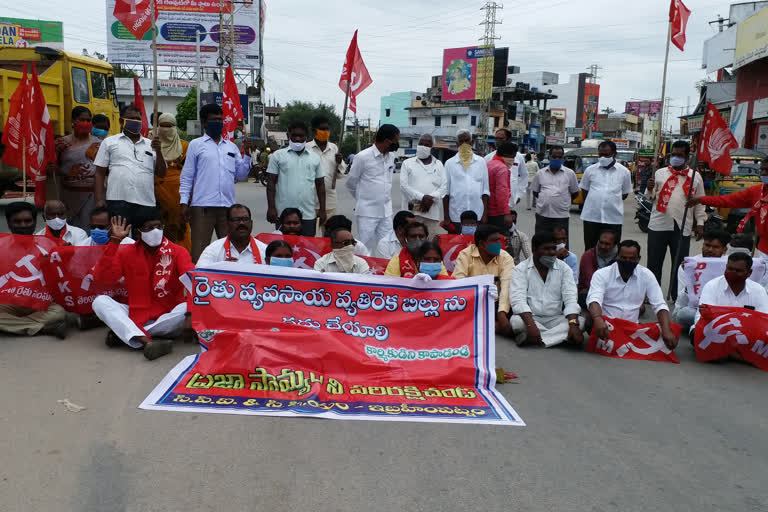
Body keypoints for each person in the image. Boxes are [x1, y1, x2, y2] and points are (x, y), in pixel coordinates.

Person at [91, 211, 194, 360]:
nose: (156, 231)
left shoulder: (178, 252)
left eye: (159, 226)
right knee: (100, 302)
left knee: (185, 308)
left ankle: (127, 333)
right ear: (138, 232)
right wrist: (114, 242)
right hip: (136, 314)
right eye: (150, 228)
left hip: (167, 318)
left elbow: (193, 281)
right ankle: (146, 341)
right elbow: (102, 279)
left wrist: (190, 315)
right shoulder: (126, 253)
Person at [180, 103, 253, 262]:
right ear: (205, 123)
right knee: (199, 252)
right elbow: (187, 176)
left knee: (231, 251)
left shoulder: (231, 147)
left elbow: (241, 175)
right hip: (202, 207)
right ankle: (198, 283)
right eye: (214, 120)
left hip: (227, 208)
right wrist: (184, 203)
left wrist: (247, 155)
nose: (218, 123)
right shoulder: (196, 145)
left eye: (220, 120)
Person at [586, 240, 678, 350]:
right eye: (623, 258)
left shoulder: (646, 275)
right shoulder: (602, 274)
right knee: (591, 321)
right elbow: (594, 299)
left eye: (631, 259)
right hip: (606, 324)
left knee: (670, 329)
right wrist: (597, 319)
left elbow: (659, 305)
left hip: (632, 327)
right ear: (617, 257)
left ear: (638, 259)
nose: (627, 261)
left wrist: (666, 331)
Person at [645, 141, 705, 300]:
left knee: (680, 265)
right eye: (673, 155)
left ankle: (676, 295)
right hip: (658, 224)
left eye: (680, 155)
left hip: (682, 226)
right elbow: (650, 198)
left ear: (687, 157)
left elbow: (699, 202)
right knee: (654, 263)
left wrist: (700, 223)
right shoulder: (659, 173)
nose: (676, 158)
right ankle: (653, 295)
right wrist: (649, 188)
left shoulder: (695, 176)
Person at [0, 202, 68, 339]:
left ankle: (19, 326)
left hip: (41, 302)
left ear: (35, 222)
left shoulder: (49, 245)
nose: (23, 225)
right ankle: (43, 327)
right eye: (17, 221)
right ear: (9, 223)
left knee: (59, 313)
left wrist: (66, 257)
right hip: (10, 302)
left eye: (27, 221)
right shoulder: (1, 246)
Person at [93, 104, 166, 227]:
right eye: (131, 118)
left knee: (144, 241)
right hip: (117, 201)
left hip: (146, 202)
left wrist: (158, 151)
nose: (136, 122)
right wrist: (99, 199)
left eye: (138, 119)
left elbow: (162, 173)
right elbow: (99, 173)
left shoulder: (152, 144)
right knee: (119, 239)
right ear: (121, 121)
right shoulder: (109, 142)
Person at [509, 232, 584, 346]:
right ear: (534, 249)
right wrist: (531, 325)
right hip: (532, 319)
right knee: (517, 322)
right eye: (547, 249)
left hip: (556, 318)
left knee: (580, 322)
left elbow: (571, 299)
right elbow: (518, 300)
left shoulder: (564, 269)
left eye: (554, 248)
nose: (552, 252)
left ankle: (535, 338)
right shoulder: (520, 269)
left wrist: (573, 325)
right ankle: (559, 338)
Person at [688, 158, 768, 259]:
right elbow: (728, 200)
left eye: (767, 170)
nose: (764, 173)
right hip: (764, 250)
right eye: (762, 170)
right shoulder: (757, 191)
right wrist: (702, 200)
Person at [452, 224, 515, 335]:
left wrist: (502, 312)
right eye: (494, 241)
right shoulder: (465, 255)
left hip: (496, 304)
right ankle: (496, 327)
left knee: (517, 314)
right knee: (453, 310)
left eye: (499, 240)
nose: (498, 244)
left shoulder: (505, 257)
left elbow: (507, 286)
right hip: (472, 303)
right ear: (481, 244)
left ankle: (485, 325)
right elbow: (458, 283)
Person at [346, 124, 400, 251]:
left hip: (386, 211)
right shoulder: (362, 157)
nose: (397, 144)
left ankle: (386, 270)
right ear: (387, 141)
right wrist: (363, 199)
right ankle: (365, 271)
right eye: (396, 141)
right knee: (365, 247)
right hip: (367, 212)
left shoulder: (391, 157)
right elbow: (350, 183)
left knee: (388, 246)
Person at [266, 120, 325, 236]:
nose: (297, 139)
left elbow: (320, 185)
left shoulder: (315, 158)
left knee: (308, 248)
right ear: (288, 136)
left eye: (301, 136)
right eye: (294, 135)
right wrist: (271, 208)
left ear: (306, 137)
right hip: (283, 214)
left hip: (308, 214)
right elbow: (271, 183)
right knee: (284, 248)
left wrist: (322, 210)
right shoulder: (277, 156)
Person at [51, 106, 103, 229]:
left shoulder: (100, 143)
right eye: (82, 120)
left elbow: (103, 172)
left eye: (89, 120)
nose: (86, 123)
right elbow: (53, 170)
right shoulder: (61, 143)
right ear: (73, 121)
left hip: (91, 196)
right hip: (68, 195)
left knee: (88, 229)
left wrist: (100, 199)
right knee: (69, 230)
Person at [673, 230, 731, 331]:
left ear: (724, 249)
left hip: (721, 310)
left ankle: (699, 329)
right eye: (707, 245)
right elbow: (681, 300)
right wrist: (690, 283)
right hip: (695, 309)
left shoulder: (730, 264)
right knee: (684, 315)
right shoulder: (690, 265)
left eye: (716, 247)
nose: (710, 250)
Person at [579, 140, 633, 250]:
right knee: (590, 249)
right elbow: (585, 190)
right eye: (600, 154)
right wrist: (594, 203)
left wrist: (611, 200)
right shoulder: (590, 170)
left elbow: (625, 193)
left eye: (606, 154)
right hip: (591, 218)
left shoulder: (624, 172)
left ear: (614, 154)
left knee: (612, 251)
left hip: (613, 219)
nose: (603, 157)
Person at [695, 253, 768, 328]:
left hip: (746, 333)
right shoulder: (712, 286)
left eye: (738, 271)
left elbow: (764, 320)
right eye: (730, 269)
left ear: (749, 273)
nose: (732, 273)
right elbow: (702, 318)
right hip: (716, 331)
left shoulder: (758, 290)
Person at [153, 113, 191, 250]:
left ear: (175, 128)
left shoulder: (185, 147)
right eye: (162, 126)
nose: (166, 130)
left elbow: (189, 174)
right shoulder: (152, 144)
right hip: (157, 195)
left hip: (178, 196)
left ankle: (182, 258)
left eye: (169, 127)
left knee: (180, 228)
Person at [399, 134, 447, 235]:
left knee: (429, 245)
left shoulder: (439, 164)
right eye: (421, 143)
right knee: (412, 243)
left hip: (432, 214)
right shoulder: (407, 163)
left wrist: (431, 198)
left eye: (427, 144)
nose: (423, 146)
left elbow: (444, 187)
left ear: (432, 148)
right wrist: (423, 197)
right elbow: (404, 186)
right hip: (412, 214)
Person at [443, 129, 489, 230]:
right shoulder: (449, 164)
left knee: (476, 244)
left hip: (477, 214)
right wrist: (446, 217)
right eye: (461, 141)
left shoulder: (481, 162)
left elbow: (485, 191)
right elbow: (445, 192)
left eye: (467, 140)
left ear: (471, 142)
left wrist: (485, 214)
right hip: (456, 215)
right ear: (457, 143)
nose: (464, 144)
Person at [307, 116, 346, 232]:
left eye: (327, 129)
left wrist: (339, 163)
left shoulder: (334, 148)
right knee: (310, 235)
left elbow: (340, 175)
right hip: (310, 200)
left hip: (330, 200)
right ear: (315, 131)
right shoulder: (307, 148)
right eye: (322, 129)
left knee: (330, 234)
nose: (325, 132)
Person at [532, 145, 580, 237]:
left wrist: (562, 201)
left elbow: (575, 193)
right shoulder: (540, 173)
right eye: (554, 157)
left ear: (563, 158)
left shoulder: (570, 174)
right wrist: (546, 199)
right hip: (543, 215)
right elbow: (535, 192)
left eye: (559, 157)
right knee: (542, 243)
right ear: (549, 157)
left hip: (561, 216)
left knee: (561, 245)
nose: (557, 159)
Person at [197, 204, 267, 267]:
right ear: (227, 224)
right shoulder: (214, 249)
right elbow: (199, 272)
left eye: (245, 219)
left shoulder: (264, 250)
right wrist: (221, 267)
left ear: (251, 223)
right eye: (236, 220)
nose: (241, 223)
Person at [485, 129, 527, 208]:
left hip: (511, 202)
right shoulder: (488, 158)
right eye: (496, 138)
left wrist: (519, 195)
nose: (497, 141)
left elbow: (524, 175)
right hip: (493, 203)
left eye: (501, 139)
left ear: (508, 139)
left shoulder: (518, 157)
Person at [578, 229, 618, 308]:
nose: (603, 246)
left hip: (613, 294)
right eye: (601, 242)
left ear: (614, 245)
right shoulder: (588, 255)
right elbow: (591, 282)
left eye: (607, 244)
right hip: (591, 292)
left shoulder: (619, 257)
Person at [486, 143, 516, 227]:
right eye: (513, 156)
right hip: (497, 212)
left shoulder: (489, 164)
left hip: (487, 210)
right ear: (507, 155)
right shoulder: (502, 168)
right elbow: (501, 193)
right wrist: (506, 213)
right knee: (502, 238)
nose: (513, 160)